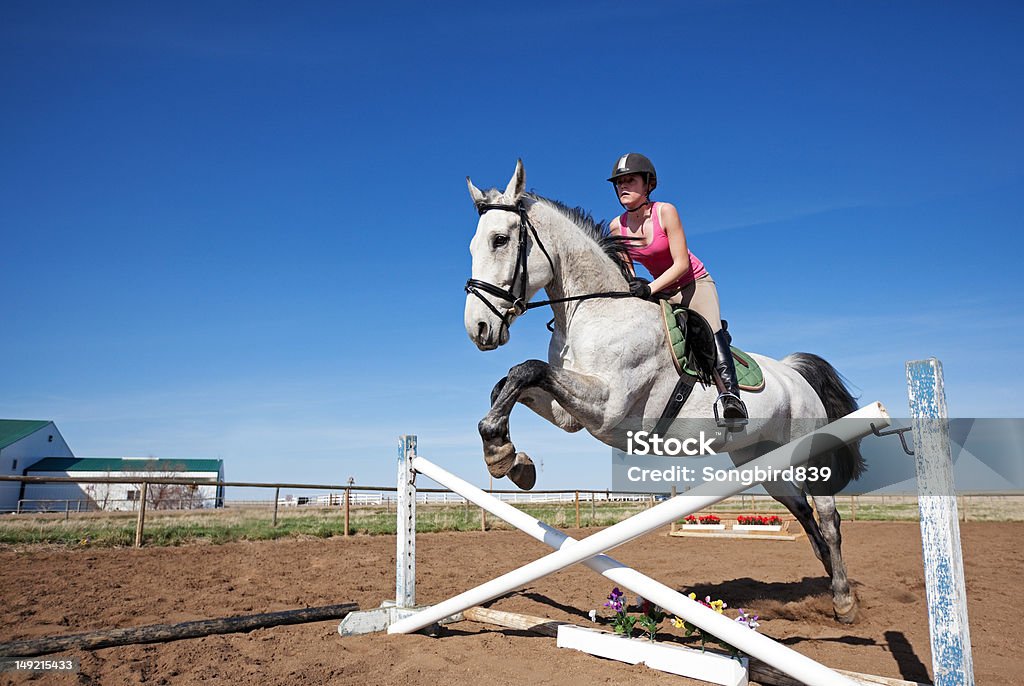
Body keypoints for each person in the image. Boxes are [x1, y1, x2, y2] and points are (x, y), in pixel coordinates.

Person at [607, 152, 747, 426]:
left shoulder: (665, 211)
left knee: (708, 331)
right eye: (619, 182)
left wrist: (649, 290)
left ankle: (731, 398)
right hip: (662, 290)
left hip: (693, 283)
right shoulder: (616, 227)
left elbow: (681, 264)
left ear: (648, 184)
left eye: (630, 180)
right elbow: (630, 274)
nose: (623, 187)